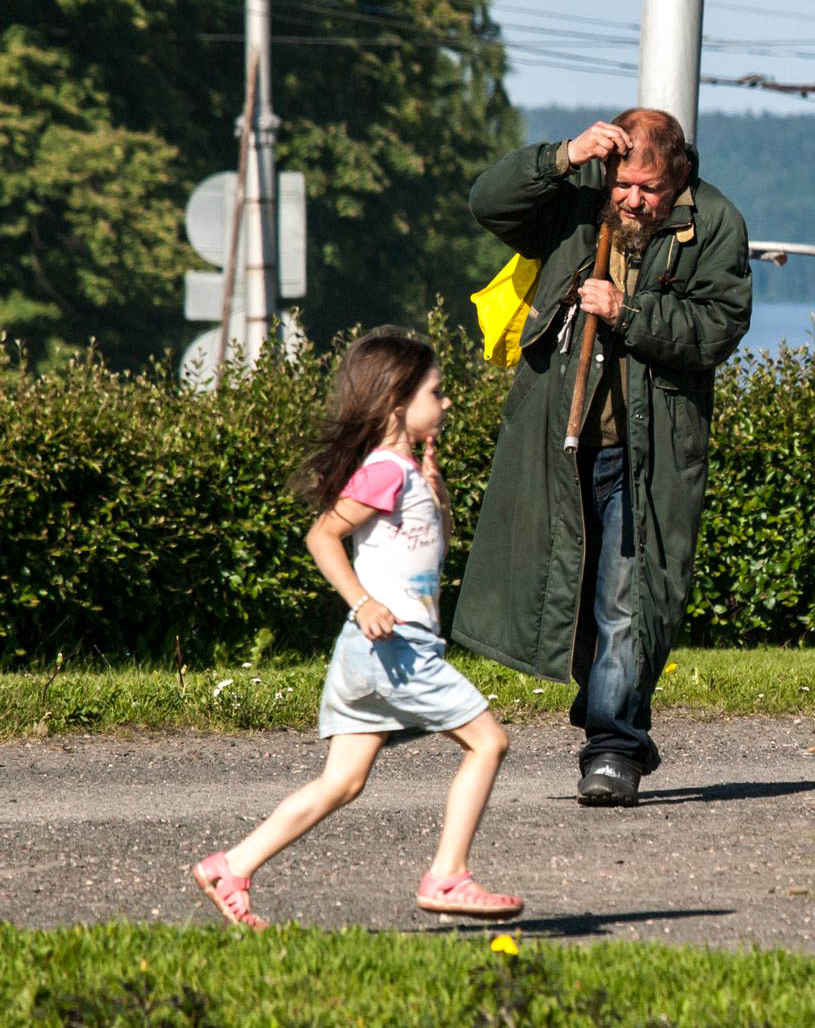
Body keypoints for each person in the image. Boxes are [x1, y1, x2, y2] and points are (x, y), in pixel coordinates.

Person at [454, 109, 751, 807]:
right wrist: (561, 156)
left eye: (646, 188)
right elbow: (486, 202)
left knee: (626, 599)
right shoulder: (578, 198)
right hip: (559, 443)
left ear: (678, 173)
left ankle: (613, 747)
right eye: (621, 184)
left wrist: (628, 314)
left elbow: (715, 330)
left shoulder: (714, 223)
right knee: (573, 594)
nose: (630, 200)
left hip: (647, 453)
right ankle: (608, 715)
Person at [191, 328, 522, 930]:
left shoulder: (405, 471)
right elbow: (323, 535)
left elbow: (419, 546)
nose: (447, 404)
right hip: (393, 648)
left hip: (371, 654)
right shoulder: (385, 472)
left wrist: (435, 487)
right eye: (437, 393)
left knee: (343, 782)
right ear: (398, 404)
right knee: (489, 742)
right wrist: (363, 600)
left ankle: (230, 867)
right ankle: (448, 874)